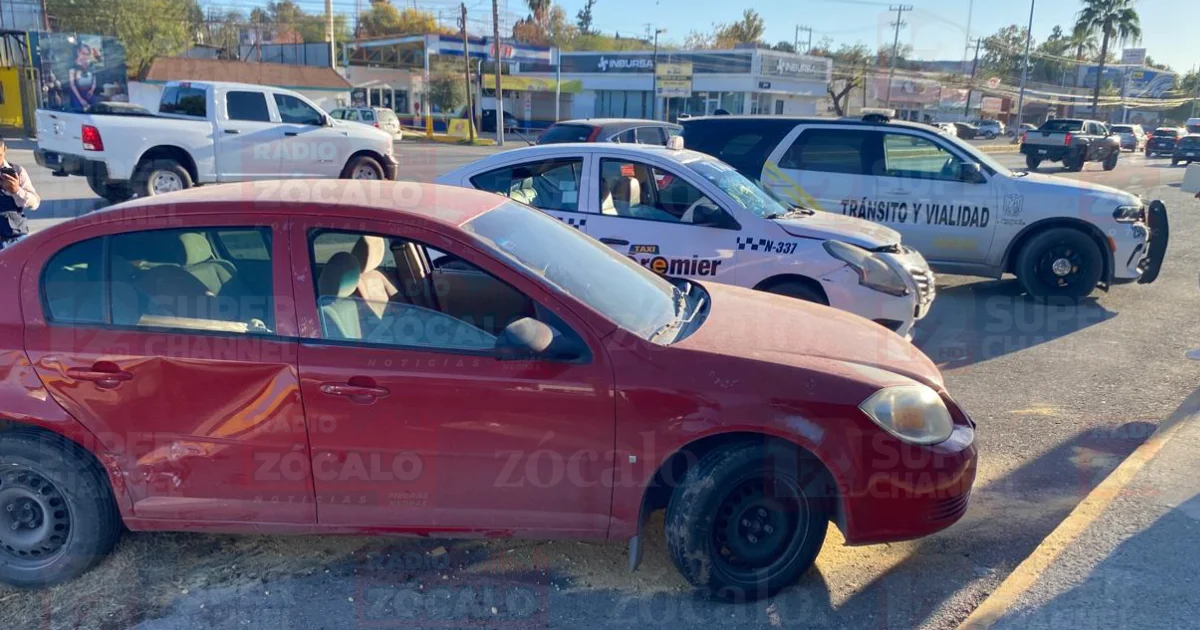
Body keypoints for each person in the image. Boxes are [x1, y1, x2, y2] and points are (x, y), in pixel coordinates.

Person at [0, 138, 42, 250]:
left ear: (4, 149)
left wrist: (16, 190)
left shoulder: (17, 172)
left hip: (15, 238)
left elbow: (35, 203)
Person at [68, 43, 96, 112]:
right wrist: (80, 99)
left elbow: (94, 79)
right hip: (77, 95)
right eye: (83, 53)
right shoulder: (73, 66)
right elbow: (72, 85)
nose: (85, 56)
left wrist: (92, 90)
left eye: (87, 54)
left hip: (89, 94)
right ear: (78, 52)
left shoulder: (91, 65)